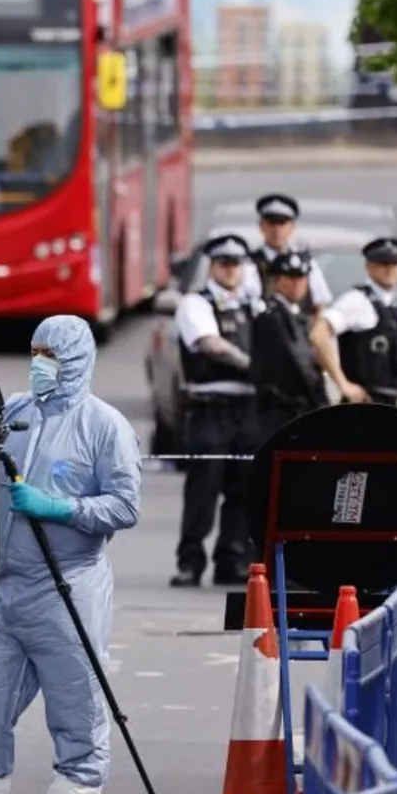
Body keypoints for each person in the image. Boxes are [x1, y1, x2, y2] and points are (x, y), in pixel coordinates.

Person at [0, 315, 142, 794]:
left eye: (49, 355)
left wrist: (59, 508)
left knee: (77, 715)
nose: (38, 363)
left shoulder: (105, 427)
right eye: (34, 351)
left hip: (67, 591)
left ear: (75, 360)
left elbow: (124, 506)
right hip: (2, 590)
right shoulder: (15, 412)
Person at [170, 234, 264, 588]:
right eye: (224, 263)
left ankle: (232, 559)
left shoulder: (254, 305)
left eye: (235, 263)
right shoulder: (196, 303)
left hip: (248, 408)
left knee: (243, 488)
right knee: (203, 488)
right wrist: (254, 366)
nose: (230, 269)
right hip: (210, 407)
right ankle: (190, 561)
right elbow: (210, 345)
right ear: (212, 265)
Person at [308, 237, 397, 408]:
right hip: (366, 401)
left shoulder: (396, 306)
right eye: (383, 264)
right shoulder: (358, 300)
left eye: (394, 264)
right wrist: (343, 383)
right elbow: (319, 334)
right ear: (369, 268)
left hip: (395, 402)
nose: (389, 269)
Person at [248, 248, 328, 442]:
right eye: (290, 278)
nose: (297, 284)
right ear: (276, 282)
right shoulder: (271, 317)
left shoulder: (296, 316)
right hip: (278, 411)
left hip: (296, 411)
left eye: (301, 278)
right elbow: (297, 362)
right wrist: (322, 402)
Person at [243, 193, 334, 312]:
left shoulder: (306, 263)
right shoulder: (249, 264)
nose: (277, 230)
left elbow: (320, 305)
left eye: (282, 223)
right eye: (272, 223)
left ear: (292, 227)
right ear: (261, 226)